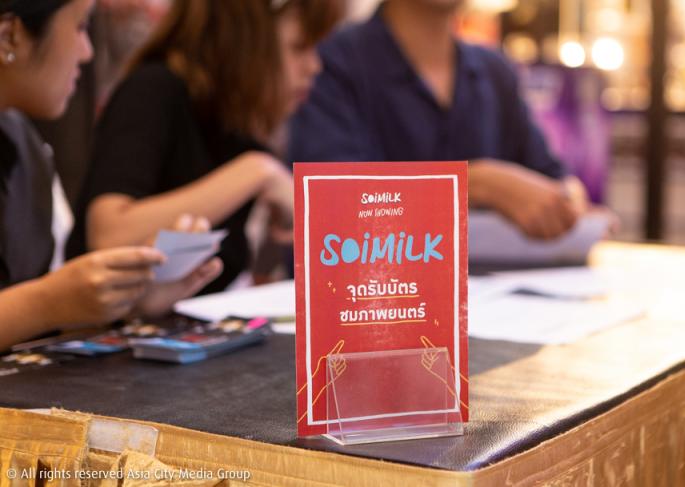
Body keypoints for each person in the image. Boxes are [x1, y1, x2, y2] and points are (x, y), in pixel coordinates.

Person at [67, 0, 343, 292]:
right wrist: (257, 172)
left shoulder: (239, 126)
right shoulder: (155, 90)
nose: (315, 66)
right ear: (245, 41)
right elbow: (109, 234)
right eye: (299, 48)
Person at [0, 0, 222, 351]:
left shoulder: (24, 144)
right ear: (8, 37)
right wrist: (46, 302)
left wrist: (128, 300)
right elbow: (41, 304)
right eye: (79, 27)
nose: (86, 52)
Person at [289, 0, 588, 240]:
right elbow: (332, 202)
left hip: (493, 291)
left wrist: (568, 198)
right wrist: (477, 184)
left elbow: (555, 178)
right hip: (378, 291)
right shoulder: (330, 63)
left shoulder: (495, 71)